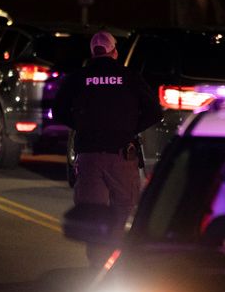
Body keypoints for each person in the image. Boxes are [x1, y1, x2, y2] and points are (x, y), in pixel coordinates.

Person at [53, 30, 162, 266]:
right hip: (122, 155)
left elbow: (58, 111)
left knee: (93, 214)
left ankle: (97, 266)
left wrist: (82, 126)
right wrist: (130, 128)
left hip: (89, 155)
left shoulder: (79, 78)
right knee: (124, 213)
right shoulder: (130, 77)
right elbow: (155, 112)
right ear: (114, 51)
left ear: (93, 53)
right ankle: (118, 264)